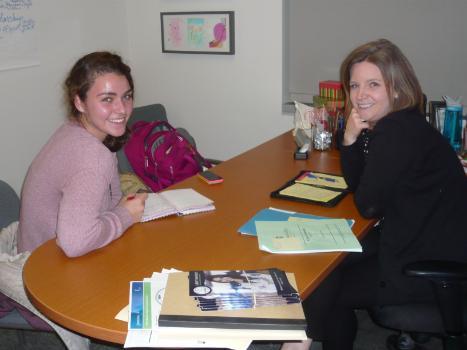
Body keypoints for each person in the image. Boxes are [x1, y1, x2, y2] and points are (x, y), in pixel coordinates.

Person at [296, 38, 467, 350]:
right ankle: (302, 341)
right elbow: (365, 186)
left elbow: (368, 204)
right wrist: (350, 138)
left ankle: (299, 343)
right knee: (329, 262)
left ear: (396, 88)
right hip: (421, 239)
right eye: (355, 85)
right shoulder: (406, 124)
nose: (361, 95)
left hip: (425, 267)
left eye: (373, 84)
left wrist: (351, 141)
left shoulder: (396, 132)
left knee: (323, 285)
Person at [18, 51, 148, 258]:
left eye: (127, 96)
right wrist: (125, 215)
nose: (122, 109)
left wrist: (122, 210)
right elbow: (75, 243)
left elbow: (106, 200)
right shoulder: (92, 156)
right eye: (107, 99)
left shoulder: (72, 130)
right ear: (79, 102)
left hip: (42, 256)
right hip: (47, 271)